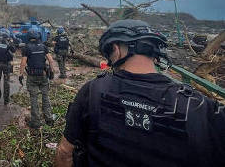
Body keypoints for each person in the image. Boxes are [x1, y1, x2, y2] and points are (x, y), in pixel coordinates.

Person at [55, 19, 225, 167]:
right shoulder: (198, 106)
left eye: (108, 53)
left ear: (116, 49)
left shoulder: (92, 91)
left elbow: (64, 152)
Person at [19, 28, 57, 129]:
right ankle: (49, 119)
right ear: (38, 36)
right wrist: (52, 71)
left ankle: (36, 122)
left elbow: (23, 63)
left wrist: (20, 75)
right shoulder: (43, 47)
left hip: (32, 77)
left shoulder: (26, 48)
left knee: (34, 99)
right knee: (45, 97)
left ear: (28, 37)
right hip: (43, 75)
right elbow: (51, 60)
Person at [0, 29, 16, 105]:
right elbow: (14, 50)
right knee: (6, 82)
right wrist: (11, 41)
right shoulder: (8, 44)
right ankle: (6, 100)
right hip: (6, 65)